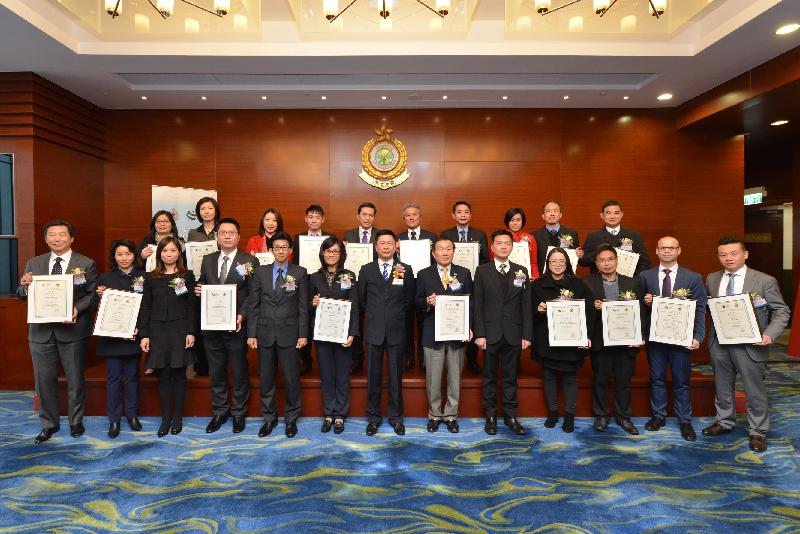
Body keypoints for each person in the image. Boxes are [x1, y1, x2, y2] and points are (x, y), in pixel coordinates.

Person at [702, 237, 790, 452]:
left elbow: (781, 311)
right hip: (720, 343)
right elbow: (708, 307)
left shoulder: (764, 280)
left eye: (733, 253)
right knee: (722, 386)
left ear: (745, 254)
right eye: (723, 254)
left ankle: (758, 431)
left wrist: (769, 335)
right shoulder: (712, 278)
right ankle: (724, 421)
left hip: (751, 344)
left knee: (754, 389)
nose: (728, 258)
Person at [17, 220, 98, 444]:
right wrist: (25, 286)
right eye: (52, 235)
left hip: (73, 332)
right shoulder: (34, 263)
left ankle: (75, 421)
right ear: (46, 239)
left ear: (71, 238)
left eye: (62, 234)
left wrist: (76, 309)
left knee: (75, 380)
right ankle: (49, 424)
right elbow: (21, 294)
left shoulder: (85, 263)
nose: (57, 238)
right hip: (41, 333)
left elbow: (92, 295)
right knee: (43, 382)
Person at [638, 236, 707, 441]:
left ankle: (684, 420)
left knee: (681, 381)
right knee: (657, 378)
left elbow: (701, 308)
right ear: (657, 251)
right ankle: (658, 416)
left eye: (671, 248)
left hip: (681, 339)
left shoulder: (692, 278)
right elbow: (638, 308)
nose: (667, 251)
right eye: (663, 248)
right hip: (655, 338)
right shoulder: (645, 276)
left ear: (679, 250)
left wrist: (698, 336)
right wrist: (646, 303)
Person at [195, 218, 258, 435]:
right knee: (216, 371)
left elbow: (253, 294)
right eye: (223, 232)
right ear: (217, 237)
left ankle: (239, 412)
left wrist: (242, 315)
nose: (227, 236)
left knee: (239, 371)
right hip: (212, 326)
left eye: (232, 232)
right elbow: (203, 283)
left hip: (236, 326)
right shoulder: (208, 259)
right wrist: (200, 289)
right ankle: (220, 411)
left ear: (239, 237)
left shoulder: (249, 261)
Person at [246, 232, 309, 438]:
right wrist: (251, 333)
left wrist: (303, 334)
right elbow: (254, 305)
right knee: (266, 379)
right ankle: (269, 418)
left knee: (291, 379)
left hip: (290, 333)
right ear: (271, 250)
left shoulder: (299, 272)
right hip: (264, 332)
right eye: (277, 247)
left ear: (290, 250)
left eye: (285, 247)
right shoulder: (260, 272)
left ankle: (291, 419)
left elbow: (303, 306)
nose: (281, 251)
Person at [473, 229, 532, 436]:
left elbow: (526, 305)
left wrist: (527, 335)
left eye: (507, 243)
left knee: (510, 377)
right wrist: (479, 334)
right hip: (490, 333)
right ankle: (490, 416)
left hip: (514, 333)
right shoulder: (482, 271)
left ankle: (510, 416)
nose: (504, 246)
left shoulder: (521, 271)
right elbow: (478, 304)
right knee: (489, 377)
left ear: (512, 246)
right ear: (492, 247)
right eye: (499, 243)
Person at [137, 236, 196, 437]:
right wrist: (144, 335)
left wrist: (190, 331)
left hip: (180, 330)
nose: (168, 254)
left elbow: (191, 306)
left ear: (179, 253)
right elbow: (145, 307)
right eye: (164, 250)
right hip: (157, 331)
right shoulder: (151, 277)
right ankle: (165, 418)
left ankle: (177, 417)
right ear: (159, 253)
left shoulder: (187, 276)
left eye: (172, 250)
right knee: (162, 376)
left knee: (179, 375)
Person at [358, 230, 415, 436]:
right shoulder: (366, 270)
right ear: (376, 247)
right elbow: (362, 301)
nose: (386, 247)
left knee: (395, 377)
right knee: (373, 377)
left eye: (389, 243)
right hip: (373, 330)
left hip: (396, 330)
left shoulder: (404, 269)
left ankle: (396, 417)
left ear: (395, 246)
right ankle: (373, 418)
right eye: (382, 243)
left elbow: (408, 300)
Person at [531, 247, 594, 433]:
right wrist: (538, 310)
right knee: (548, 376)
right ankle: (552, 413)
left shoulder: (579, 285)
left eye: (561, 261)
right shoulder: (537, 285)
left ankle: (569, 415)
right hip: (546, 340)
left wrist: (586, 336)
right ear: (548, 264)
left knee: (570, 378)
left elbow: (589, 313)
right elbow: (528, 311)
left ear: (567, 263)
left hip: (571, 341)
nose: (557, 264)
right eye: (553, 261)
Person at [415, 237, 473, 433]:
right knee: (433, 378)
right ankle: (434, 414)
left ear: (453, 252)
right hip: (432, 333)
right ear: (434, 253)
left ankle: (451, 415)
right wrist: (426, 302)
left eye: (449, 249)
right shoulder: (424, 274)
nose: (445, 252)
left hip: (457, 334)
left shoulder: (464, 273)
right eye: (441, 249)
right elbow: (415, 302)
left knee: (455, 377)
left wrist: (468, 327)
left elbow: (471, 303)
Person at [583, 244, 641, 435]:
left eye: (610, 259)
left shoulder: (632, 283)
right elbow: (582, 312)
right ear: (596, 263)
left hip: (626, 341)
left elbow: (640, 312)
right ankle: (601, 415)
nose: (606, 263)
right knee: (600, 380)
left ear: (617, 261)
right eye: (602, 260)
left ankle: (624, 416)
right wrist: (593, 307)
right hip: (600, 341)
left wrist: (640, 337)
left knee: (624, 381)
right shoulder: (587, 283)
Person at [93, 239, 145, 439]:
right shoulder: (104, 279)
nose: (124, 258)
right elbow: (97, 307)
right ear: (114, 257)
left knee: (132, 377)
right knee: (113, 378)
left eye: (128, 254)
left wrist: (140, 329)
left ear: (134, 255)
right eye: (119, 254)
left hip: (133, 336)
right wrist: (99, 296)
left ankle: (132, 415)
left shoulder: (143, 277)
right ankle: (114, 419)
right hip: (111, 337)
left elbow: (147, 306)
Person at [309, 236, 359, 434]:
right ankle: (328, 413)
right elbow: (306, 305)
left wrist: (352, 333)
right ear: (323, 253)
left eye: (335, 251)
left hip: (342, 334)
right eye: (328, 251)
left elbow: (355, 307)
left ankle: (340, 415)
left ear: (341, 254)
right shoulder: (314, 277)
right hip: (322, 334)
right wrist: (313, 303)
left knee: (342, 374)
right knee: (327, 375)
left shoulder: (349, 275)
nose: (331, 254)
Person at [440, 200, 489, 375]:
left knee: (473, 316)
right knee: (454, 314)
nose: (462, 215)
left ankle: (472, 358)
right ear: (453, 215)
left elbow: (485, 259)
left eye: (466, 212)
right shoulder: (446, 234)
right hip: (453, 282)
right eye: (459, 212)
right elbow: (441, 256)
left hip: (475, 282)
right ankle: (451, 355)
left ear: (470, 215)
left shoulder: (480, 234)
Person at [397, 201, 436, 371]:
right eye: (408, 215)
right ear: (404, 218)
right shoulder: (397, 238)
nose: (411, 218)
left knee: (424, 323)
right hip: (405, 285)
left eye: (415, 214)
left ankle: (423, 358)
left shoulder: (431, 237)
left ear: (420, 217)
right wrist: (397, 253)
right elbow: (395, 266)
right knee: (405, 324)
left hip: (425, 284)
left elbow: (437, 261)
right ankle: (408, 358)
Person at [342, 202, 379, 375]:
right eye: (364, 214)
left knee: (371, 320)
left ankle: (373, 356)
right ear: (358, 216)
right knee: (354, 318)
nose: (367, 218)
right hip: (353, 283)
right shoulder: (348, 235)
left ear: (374, 217)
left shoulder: (379, 235)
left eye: (371, 215)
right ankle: (357, 358)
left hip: (373, 284)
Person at [292, 204, 329, 375]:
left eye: (317, 217)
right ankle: (305, 359)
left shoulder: (329, 238)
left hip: (323, 281)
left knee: (323, 317)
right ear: (306, 219)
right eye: (311, 217)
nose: (314, 220)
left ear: (323, 219)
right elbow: (294, 262)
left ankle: (325, 360)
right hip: (304, 283)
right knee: (304, 318)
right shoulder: (298, 239)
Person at [580, 200, 651, 276]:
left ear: (621, 214)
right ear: (602, 216)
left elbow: (645, 262)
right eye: (608, 213)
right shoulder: (593, 236)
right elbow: (583, 261)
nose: (612, 216)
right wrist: (599, 253)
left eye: (616, 213)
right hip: (599, 280)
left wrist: (636, 279)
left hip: (628, 281)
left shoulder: (634, 235)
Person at [532, 200, 583, 274]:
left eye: (555, 211)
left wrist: (579, 255)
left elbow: (576, 259)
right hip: (543, 277)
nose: (552, 214)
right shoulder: (535, 235)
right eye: (548, 211)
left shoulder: (571, 233)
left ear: (560, 215)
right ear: (543, 216)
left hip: (566, 276)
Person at [492, 208, 540, 279]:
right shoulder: (499, 237)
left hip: (524, 276)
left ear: (522, 221)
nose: (515, 223)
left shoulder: (530, 238)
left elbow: (533, 262)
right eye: (512, 220)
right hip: (503, 276)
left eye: (518, 220)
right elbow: (492, 260)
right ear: (507, 221)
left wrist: (536, 278)